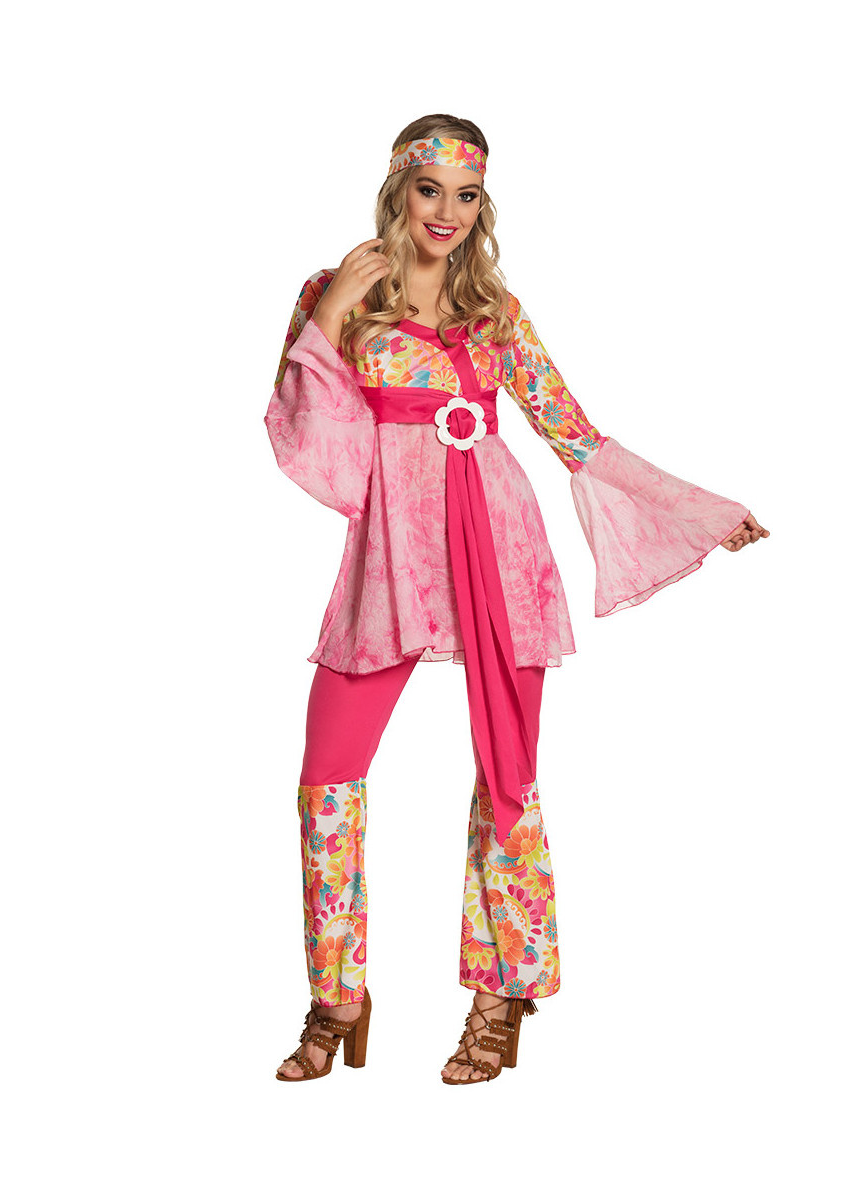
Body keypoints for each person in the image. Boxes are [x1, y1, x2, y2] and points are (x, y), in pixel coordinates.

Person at [265, 115, 769, 1084]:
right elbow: (310, 445)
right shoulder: (339, 292)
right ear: (399, 190)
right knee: (327, 777)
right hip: (394, 562)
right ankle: (338, 995)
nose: (447, 212)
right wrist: (331, 316)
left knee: (507, 774)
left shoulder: (494, 310)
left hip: (499, 552)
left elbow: (573, 434)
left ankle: (501, 996)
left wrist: (698, 510)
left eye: (467, 196)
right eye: (430, 189)